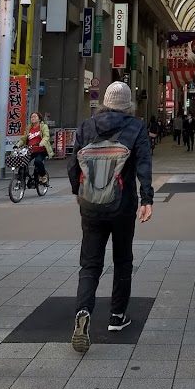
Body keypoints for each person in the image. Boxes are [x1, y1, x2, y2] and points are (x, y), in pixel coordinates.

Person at [68, 82, 153, 353]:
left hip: (91, 204)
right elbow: (143, 165)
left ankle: (83, 311)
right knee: (122, 260)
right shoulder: (136, 127)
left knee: (90, 264)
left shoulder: (86, 126)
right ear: (129, 104)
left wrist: (76, 192)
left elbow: (73, 164)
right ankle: (117, 316)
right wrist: (147, 199)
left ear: (105, 101)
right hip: (123, 204)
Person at [17, 111, 53, 183]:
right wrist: (17, 145)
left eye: (34, 117)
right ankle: (20, 180)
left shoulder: (43, 126)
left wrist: (42, 143)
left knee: (38, 161)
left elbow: (46, 136)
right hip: (30, 150)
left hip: (41, 150)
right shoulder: (29, 128)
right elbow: (23, 139)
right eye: (31, 117)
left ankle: (43, 176)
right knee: (22, 162)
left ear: (39, 119)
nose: (32, 118)